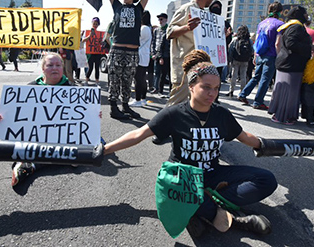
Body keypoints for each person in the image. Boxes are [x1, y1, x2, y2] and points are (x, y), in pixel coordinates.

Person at [104, 49, 277, 237]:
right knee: (178, 195)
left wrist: (271, 146)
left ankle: (205, 206)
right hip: (183, 178)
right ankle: (235, 220)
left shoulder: (222, 114)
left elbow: (244, 137)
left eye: (217, 88)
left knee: (267, 180)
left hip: (212, 173)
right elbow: (139, 134)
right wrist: (104, 150)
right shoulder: (174, 114)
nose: (213, 93)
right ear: (192, 86)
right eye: (206, 87)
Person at [0, 52, 70, 186]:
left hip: (60, 136)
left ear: (62, 68)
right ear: (43, 69)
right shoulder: (29, 89)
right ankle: (64, 159)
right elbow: (15, 117)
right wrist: (2, 120)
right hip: (37, 137)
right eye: (50, 65)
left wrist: (94, 116)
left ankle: (30, 164)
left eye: (58, 65)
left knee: (96, 142)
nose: (54, 68)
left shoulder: (74, 90)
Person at [106, 0, 157, 120]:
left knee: (128, 81)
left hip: (132, 54)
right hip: (117, 51)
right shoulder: (117, 7)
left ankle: (126, 106)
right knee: (114, 80)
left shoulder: (139, 8)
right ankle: (114, 108)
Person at [166, 0, 218, 107]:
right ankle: (160, 127)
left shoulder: (204, 14)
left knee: (191, 106)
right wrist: (187, 28)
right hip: (183, 68)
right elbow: (169, 32)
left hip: (198, 69)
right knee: (175, 105)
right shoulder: (187, 9)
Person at [268, 6, 312, 125]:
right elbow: (291, 43)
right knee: (290, 92)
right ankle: (285, 116)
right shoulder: (296, 27)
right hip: (291, 64)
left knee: (284, 90)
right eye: (305, 13)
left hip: (287, 63)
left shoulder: (289, 26)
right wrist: (308, 48)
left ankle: (280, 114)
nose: (307, 16)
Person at [238, 2, 284, 110]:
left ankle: (243, 94)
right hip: (271, 55)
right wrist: (279, 57)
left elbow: (257, 41)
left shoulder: (262, 23)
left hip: (260, 54)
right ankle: (258, 101)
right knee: (265, 79)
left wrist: (255, 55)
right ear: (280, 12)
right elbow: (278, 43)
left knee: (256, 76)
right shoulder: (280, 24)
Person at [130, 11, 152, 107]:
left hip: (140, 55)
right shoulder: (148, 28)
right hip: (145, 55)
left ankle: (138, 99)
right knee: (142, 79)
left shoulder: (143, 28)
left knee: (138, 78)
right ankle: (143, 98)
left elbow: (136, 39)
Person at [226, 25, 253, 97]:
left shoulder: (235, 39)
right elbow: (252, 51)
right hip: (245, 60)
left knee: (234, 75)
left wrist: (230, 59)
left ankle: (231, 91)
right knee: (243, 76)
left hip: (236, 59)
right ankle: (242, 92)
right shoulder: (249, 40)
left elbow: (230, 48)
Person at [152, 13, 170, 96]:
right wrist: (153, 53)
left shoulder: (169, 29)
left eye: (162, 19)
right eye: (159, 19)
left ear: (166, 19)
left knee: (166, 74)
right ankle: (156, 88)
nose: (160, 21)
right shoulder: (156, 30)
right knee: (157, 72)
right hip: (157, 54)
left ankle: (162, 90)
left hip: (166, 55)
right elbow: (153, 42)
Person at [83, 17, 103, 87]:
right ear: (92, 23)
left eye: (96, 24)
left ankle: (97, 81)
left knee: (97, 67)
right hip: (90, 53)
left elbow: (101, 42)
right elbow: (83, 40)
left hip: (97, 53)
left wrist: (101, 42)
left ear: (98, 25)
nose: (95, 25)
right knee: (90, 67)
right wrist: (89, 36)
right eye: (94, 23)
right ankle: (86, 80)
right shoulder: (87, 31)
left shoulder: (100, 33)